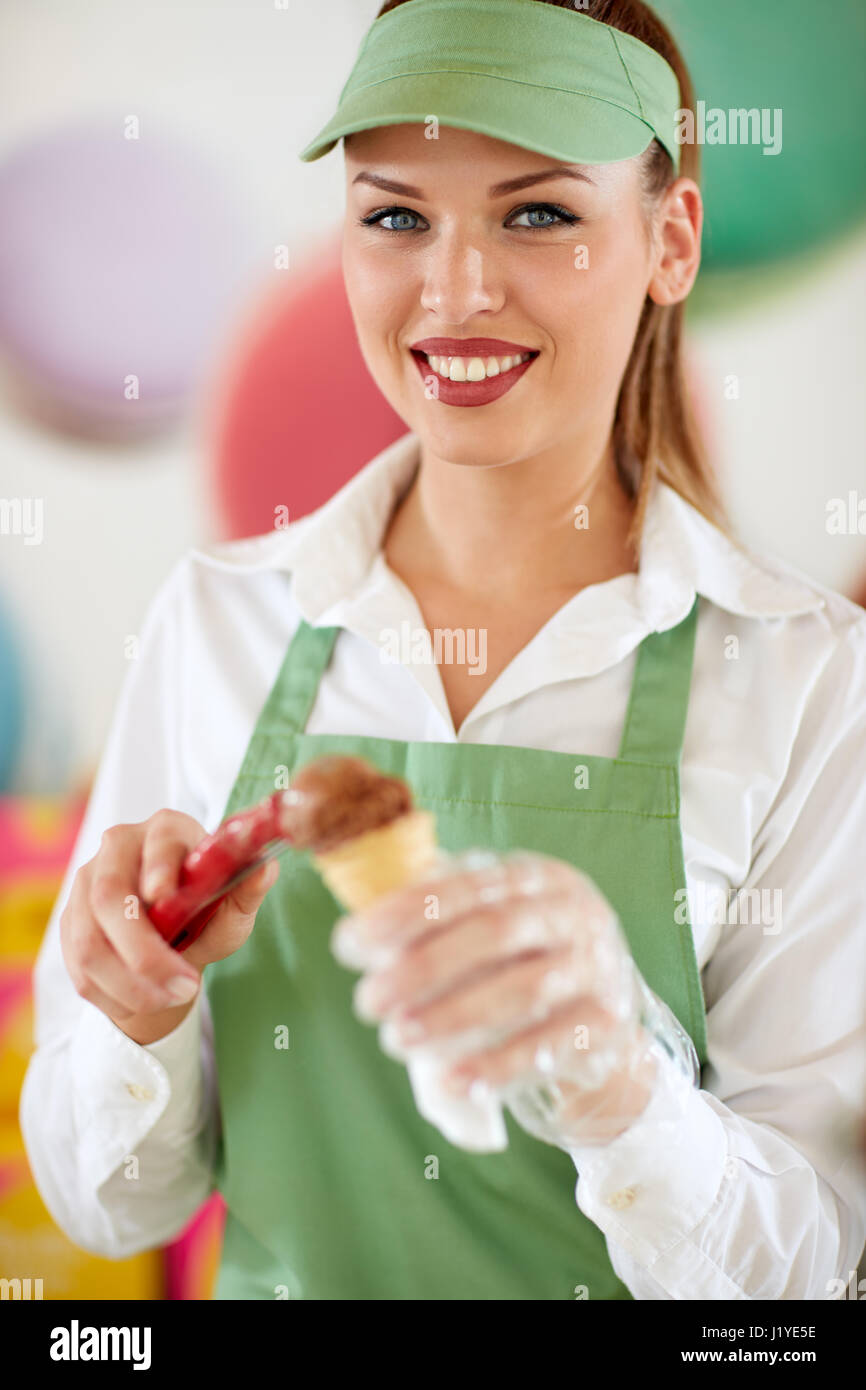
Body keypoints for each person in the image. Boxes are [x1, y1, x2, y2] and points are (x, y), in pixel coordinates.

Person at [20, 0, 866, 1300]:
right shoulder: (216, 621)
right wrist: (134, 1017)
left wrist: (614, 1078)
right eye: (395, 214)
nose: (453, 289)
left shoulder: (807, 680)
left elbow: (805, 1276)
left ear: (669, 240)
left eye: (536, 213)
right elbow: (107, 1199)